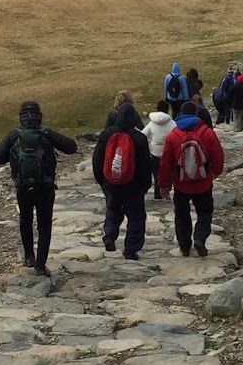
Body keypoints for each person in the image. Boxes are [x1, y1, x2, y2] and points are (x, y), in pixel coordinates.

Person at [0, 101, 77, 277]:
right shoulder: (46, 133)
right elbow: (71, 147)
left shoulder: (14, 135)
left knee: (25, 220)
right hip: (45, 186)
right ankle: (40, 265)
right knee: (44, 224)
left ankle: (29, 257)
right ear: (39, 115)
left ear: (21, 117)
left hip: (22, 186)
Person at [158, 101, 225, 258]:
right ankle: (200, 237)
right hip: (203, 182)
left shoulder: (173, 135)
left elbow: (165, 162)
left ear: (180, 114)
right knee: (205, 212)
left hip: (181, 184)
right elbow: (218, 155)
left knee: (181, 215)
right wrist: (216, 172)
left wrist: (163, 185)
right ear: (196, 113)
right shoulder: (207, 133)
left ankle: (184, 246)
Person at [94, 100, 151, 260]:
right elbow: (145, 165)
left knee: (113, 209)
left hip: (110, 182)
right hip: (133, 185)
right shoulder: (139, 138)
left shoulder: (106, 134)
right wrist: (145, 185)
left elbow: (97, 160)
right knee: (136, 216)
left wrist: (102, 181)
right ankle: (131, 249)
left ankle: (109, 236)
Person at [142, 107, 176, 197]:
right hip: (168, 153)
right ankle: (167, 191)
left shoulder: (151, 123)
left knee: (157, 175)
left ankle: (157, 194)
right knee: (169, 174)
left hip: (154, 153)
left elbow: (143, 135)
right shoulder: (172, 124)